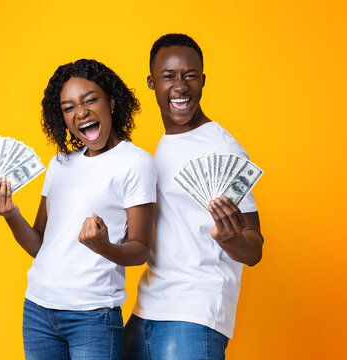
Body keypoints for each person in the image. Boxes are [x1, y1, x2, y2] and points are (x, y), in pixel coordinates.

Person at [0, 59, 157, 360]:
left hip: (92, 316)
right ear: (62, 117)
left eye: (90, 100)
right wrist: (10, 214)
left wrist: (103, 246)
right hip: (38, 310)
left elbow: (141, 249)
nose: (81, 112)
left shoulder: (136, 163)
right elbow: (40, 245)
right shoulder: (60, 164)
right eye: (68, 107)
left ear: (112, 102)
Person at [123, 34, 264, 359]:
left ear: (202, 81)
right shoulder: (160, 147)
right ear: (152, 82)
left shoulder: (223, 148)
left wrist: (230, 239)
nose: (180, 87)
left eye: (190, 76)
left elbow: (254, 248)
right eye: (169, 76)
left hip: (195, 312)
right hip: (146, 307)